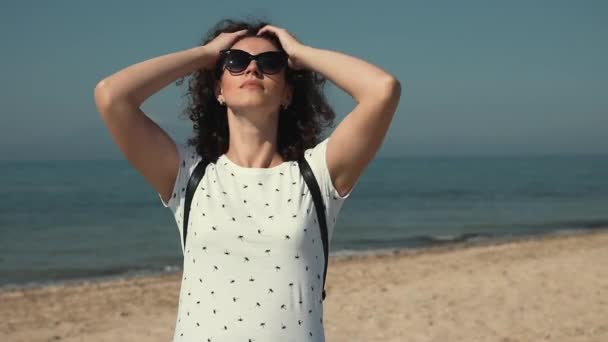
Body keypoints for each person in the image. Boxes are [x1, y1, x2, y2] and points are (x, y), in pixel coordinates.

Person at [94, 18, 400, 342]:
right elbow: (112, 96)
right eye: (236, 62)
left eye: (270, 63)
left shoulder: (317, 177)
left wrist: (300, 52)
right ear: (218, 90)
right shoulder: (189, 176)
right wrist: (204, 54)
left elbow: (382, 90)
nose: (252, 69)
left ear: (287, 93)